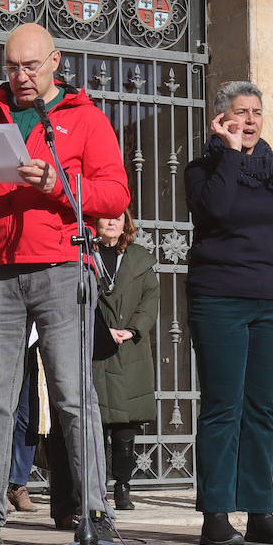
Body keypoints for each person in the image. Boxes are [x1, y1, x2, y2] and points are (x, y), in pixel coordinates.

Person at [0, 22, 130, 545]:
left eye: (30, 66)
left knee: (73, 397)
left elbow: (115, 195)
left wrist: (61, 187)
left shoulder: (84, 118)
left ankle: (95, 512)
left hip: (61, 270)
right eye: (11, 67)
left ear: (55, 62)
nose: (20, 77)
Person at [186, 80, 273, 545]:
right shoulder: (202, 169)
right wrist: (229, 154)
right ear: (222, 119)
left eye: (257, 112)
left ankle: (260, 512)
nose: (249, 120)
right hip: (219, 299)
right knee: (223, 408)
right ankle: (216, 516)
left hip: (270, 301)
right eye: (240, 112)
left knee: (262, 409)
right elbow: (217, 211)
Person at [91, 210, 158, 513]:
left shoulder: (139, 259)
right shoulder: (84, 254)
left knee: (125, 425)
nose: (112, 222)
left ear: (126, 224)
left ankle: (122, 486)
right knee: (95, 422)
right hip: (94, 345)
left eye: (118, 218)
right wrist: (101, 330)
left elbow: (150, 299)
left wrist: (132, 329)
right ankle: (94, 488)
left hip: (129, 348)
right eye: (106, 218)